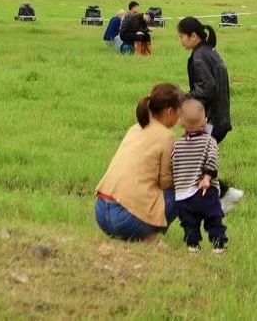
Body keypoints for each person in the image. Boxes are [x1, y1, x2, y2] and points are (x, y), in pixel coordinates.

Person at [94, 83, 183, 241]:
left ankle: (139, 233)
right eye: (179, 111)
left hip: (101, 213)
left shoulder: (135, 128)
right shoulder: (168, 137)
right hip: (124, 221)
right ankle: (148, 236)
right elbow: (165, 182)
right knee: (184, 192)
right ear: (170, 111)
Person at [177, 17, 242, 212]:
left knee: (192, 157)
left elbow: (207, 88)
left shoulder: (199, 56)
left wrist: (185, 98)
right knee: (200, 159)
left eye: (182, 36)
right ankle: (218, 199)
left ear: (194, 36)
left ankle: (224, 194)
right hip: (219, 118)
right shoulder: (209, 52)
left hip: (210, 120)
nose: (181, 41)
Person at [171, 98, 227, 253]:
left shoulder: (177, 144)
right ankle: (218, 246)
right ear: (205, 122)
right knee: (214, 218)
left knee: (189, 223)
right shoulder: (209, 141)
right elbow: (212, 159)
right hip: (205, 191)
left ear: (181, 123)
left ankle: (193, 246)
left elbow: (173, 164)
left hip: (183, 195)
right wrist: (207, 178)